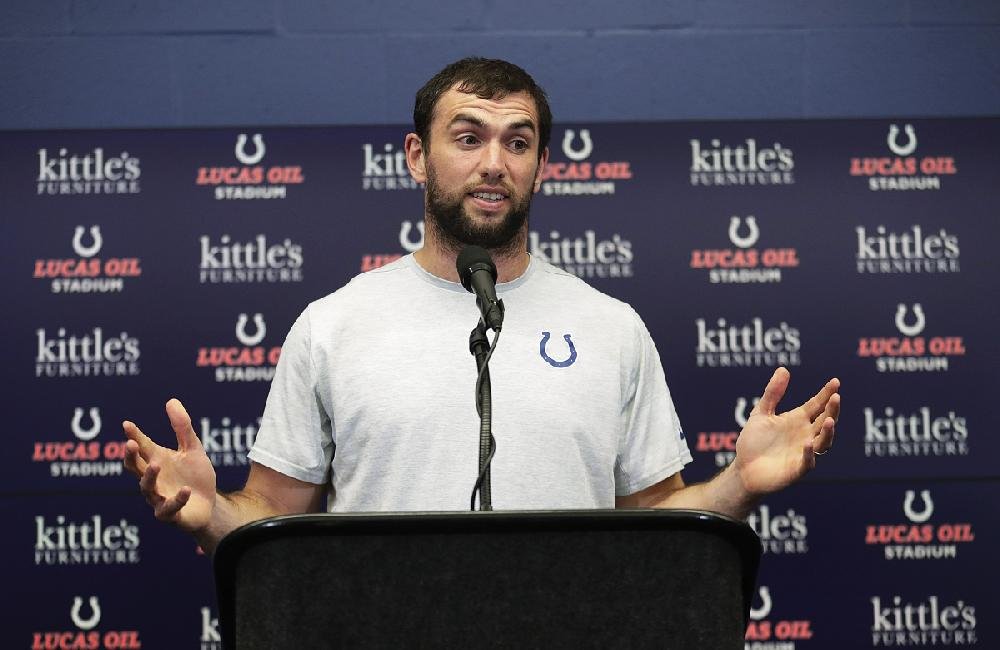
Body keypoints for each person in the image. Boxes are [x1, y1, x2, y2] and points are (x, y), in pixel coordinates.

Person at [122, 57, 840, 554]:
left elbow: (656, 521)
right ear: (415, 156)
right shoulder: (333, 325)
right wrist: (209, 511)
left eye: (517, 142)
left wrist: (739, 485)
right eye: (467, 138)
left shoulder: (612, 328)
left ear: (541, 167)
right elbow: (271, 521)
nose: (494, 162)